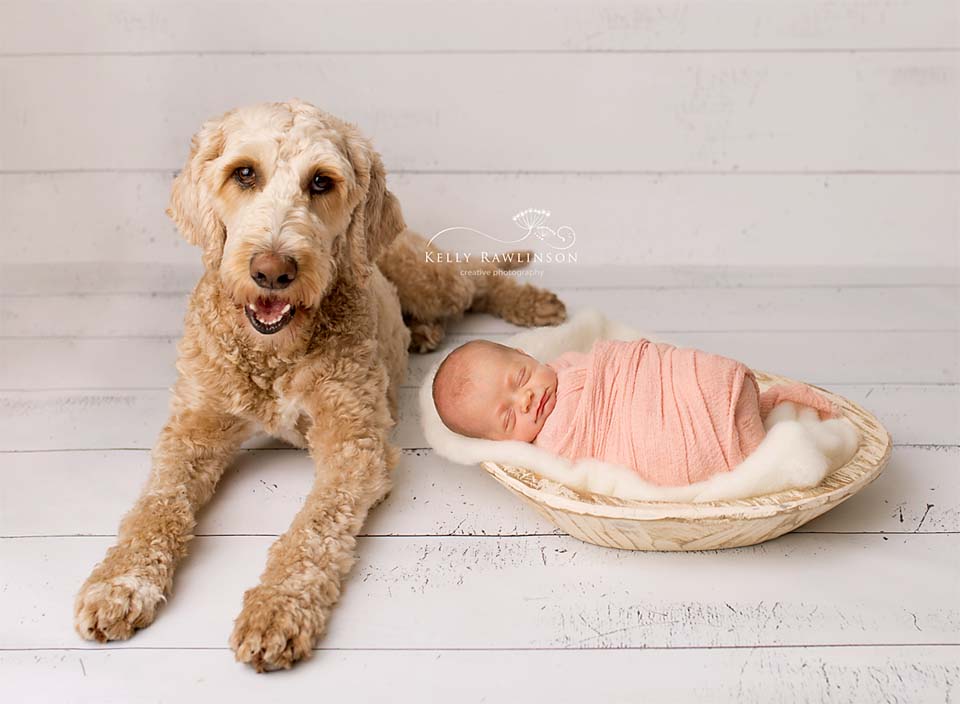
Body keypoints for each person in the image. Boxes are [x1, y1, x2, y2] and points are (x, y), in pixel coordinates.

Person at [431, 338, 840, 487]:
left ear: (525, 354)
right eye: (508, 418)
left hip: (673, 384)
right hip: (662, 433)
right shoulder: (551, 448)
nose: (525, 399)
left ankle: (728, 398)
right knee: (665, 448)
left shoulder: (568, 363)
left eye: (520, 376)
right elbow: (608, 456)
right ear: (501, 444)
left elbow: (632, 366)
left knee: (699, 376)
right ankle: (743, 438)